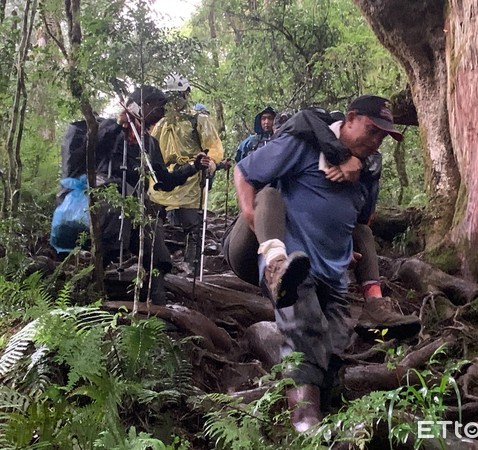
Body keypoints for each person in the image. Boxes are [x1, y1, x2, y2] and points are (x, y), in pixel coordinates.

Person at [226, 95, 415, 432]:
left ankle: (331, 414)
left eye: (383, 137)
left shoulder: (367, 171)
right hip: (292, 265)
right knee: (303, 327)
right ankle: (304, 421)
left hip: (334, 271)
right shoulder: (303, 145)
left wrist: (351, 252)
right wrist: (251, 216)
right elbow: (245, 171)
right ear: (351, 118)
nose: (376, 142)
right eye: (372, 131)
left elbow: (362, 220)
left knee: (335, 344)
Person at [96, 85, 206, 304]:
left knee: (158, 254)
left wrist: (193, 166)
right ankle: (93, 297)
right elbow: (94, 149)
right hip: (106, 200)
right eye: (156, 107)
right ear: (141, 105)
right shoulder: (110, 129)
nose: (159, 114)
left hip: (137, 204)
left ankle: (157, 306)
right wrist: (119, 125)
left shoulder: (150, 143)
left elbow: (163, 181)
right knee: (107, 246)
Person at [148, 75, 224, 271]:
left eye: (178, 95)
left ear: (186, 94)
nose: (175, 100)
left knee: (192, 225)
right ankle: (161, 265)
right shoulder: (161, 124)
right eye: (171, 96)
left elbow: (213, 147)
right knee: (156, 222)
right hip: (164, 178)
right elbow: (151, 149)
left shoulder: (198, 119)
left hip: (190, 176)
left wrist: (210, 163)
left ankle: (191, 266)